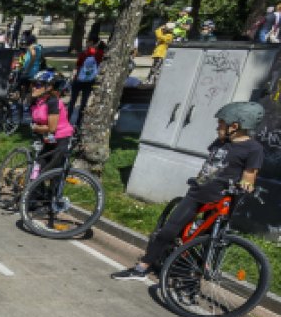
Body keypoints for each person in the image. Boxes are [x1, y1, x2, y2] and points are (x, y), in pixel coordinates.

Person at [112, 102, 265, 280]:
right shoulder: (221, 141)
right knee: (169, 231)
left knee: (209, 244)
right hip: (197, 194)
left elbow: (249, 175)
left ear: (235, 126)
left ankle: (191, 280)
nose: (218, 126)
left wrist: (247, 184)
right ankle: (142, 267)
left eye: (221, 123)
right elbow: (210, 163)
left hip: (222, 201)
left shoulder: (254, 149)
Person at [27, 71, 74, 177]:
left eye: (38, 85)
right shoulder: (36, 101)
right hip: (47, 139)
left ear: (48, 87)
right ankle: (37, 193)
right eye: (33, 84)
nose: (34, 88)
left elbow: (52, 128)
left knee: (49, 173)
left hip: (61, 139)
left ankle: (53, 193)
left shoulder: (53, 102)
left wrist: (36, 128)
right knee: (36, 173)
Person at [70, 37, 104, 127]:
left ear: (92, 42)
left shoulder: (86, 53)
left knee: (72, 101)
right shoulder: (100, 54)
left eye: (87, 42)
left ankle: (67, 119)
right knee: (83, 102)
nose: (86, 44)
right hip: (89, 81)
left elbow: (78, 64)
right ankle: (79, 122)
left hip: (79, 79)